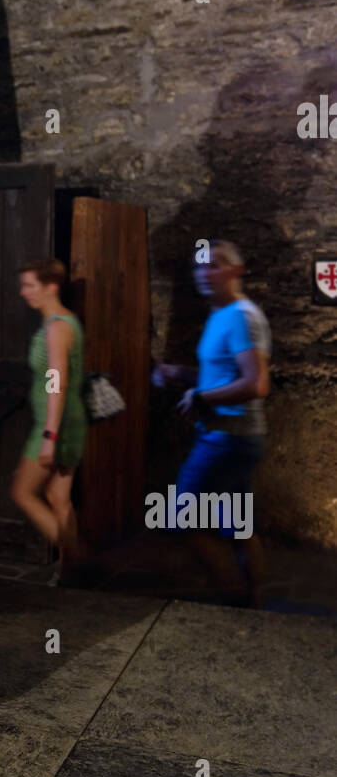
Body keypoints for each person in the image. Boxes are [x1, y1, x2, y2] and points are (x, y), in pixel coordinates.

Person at [153, 239, 271, 607]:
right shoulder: (222, 314)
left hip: (227, 437)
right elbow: (223, 376)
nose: (204, 273)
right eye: (199, 266)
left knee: (181, 519)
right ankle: (255, 602)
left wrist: (202, 398)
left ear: (236, 271)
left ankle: (233, 598)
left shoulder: (241, 316)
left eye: (214, 265)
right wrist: (184, 375)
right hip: (236, 436)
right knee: (238, 525)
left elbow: (256, 383)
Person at [10, 257, 87, 580]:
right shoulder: (62, 322)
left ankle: (82, 559)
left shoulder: (57, 328)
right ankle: (73, 574)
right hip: (63, 422)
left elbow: (58, 382)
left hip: (56, 424)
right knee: (58, 497)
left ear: (50, 287)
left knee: (23, 492)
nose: (23, 292)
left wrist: (50, 436)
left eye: (30, 285)